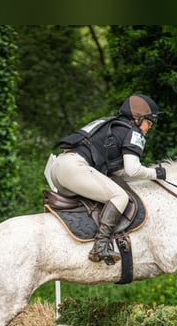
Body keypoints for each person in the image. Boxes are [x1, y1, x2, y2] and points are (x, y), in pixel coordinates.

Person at [49, 94, 167, 265]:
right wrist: (155, 173)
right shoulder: (134, 132)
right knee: (119, 197)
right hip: (75, 168)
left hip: (59, 167)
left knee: (107, 193)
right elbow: (132, 169)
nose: (149, 127)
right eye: (149, 122)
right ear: (137, 118)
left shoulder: (113, 124)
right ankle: (101, 245)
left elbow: (120, 171)